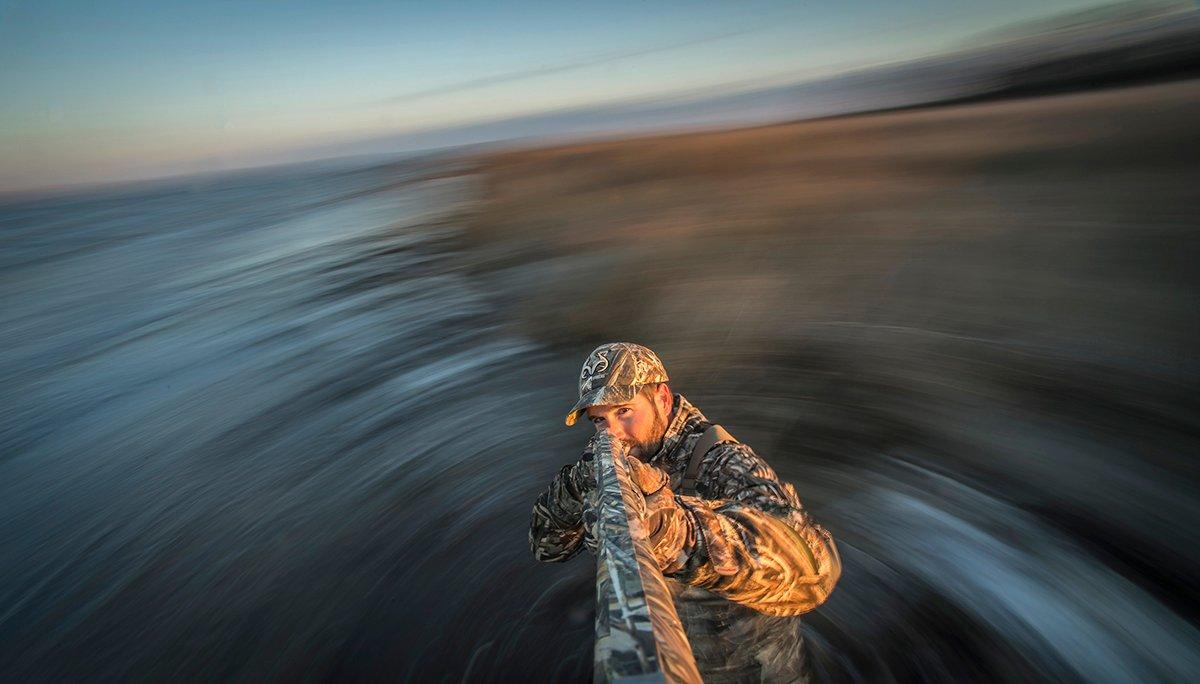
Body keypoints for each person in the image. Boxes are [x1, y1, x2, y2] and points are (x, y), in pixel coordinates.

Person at [529, 342, 841, 682]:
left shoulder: (724, 462)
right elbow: (547, 547)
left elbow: (814, 572)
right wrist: (575, 486)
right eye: (599, 420)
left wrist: (675, 530)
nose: (613, 433)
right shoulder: (611, 456)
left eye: (624, 411)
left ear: (662, 398)